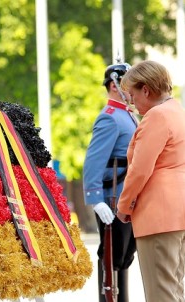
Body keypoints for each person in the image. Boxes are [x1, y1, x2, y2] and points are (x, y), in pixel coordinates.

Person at [117, 60, 185, 302]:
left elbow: (139, 170)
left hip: (159, 214)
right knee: (174, 290)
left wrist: (123, 205)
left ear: (146, 89)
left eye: (133, 94)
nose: (132, 102)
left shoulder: (157, 116)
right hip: (178, 213)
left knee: (161, 295)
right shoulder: (177, 111)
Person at [83, 61, 137, 302]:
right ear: (115, 85)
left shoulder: (128, 116)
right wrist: (96, 200)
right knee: (110, 257)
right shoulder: (110, 118)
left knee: (124, 257)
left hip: (127, 198)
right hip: (113, 200)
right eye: (129, 84)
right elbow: (94, 162)